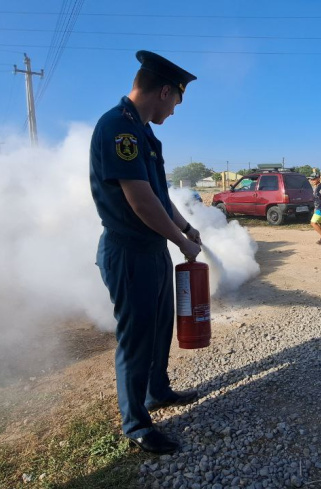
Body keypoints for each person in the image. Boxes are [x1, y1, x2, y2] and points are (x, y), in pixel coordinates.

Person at [90, 50, 202, 454]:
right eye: (175, 102)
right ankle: (136, 424)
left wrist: (186, 227)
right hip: (129, 251)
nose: (173, 112)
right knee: (136, 337)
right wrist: (181, 241)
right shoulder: (118, 129)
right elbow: (140, 201)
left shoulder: (145, 134)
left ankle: (158, 392)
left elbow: (160, 197)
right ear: (165, 91)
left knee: (159, 329)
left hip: (153, 248)